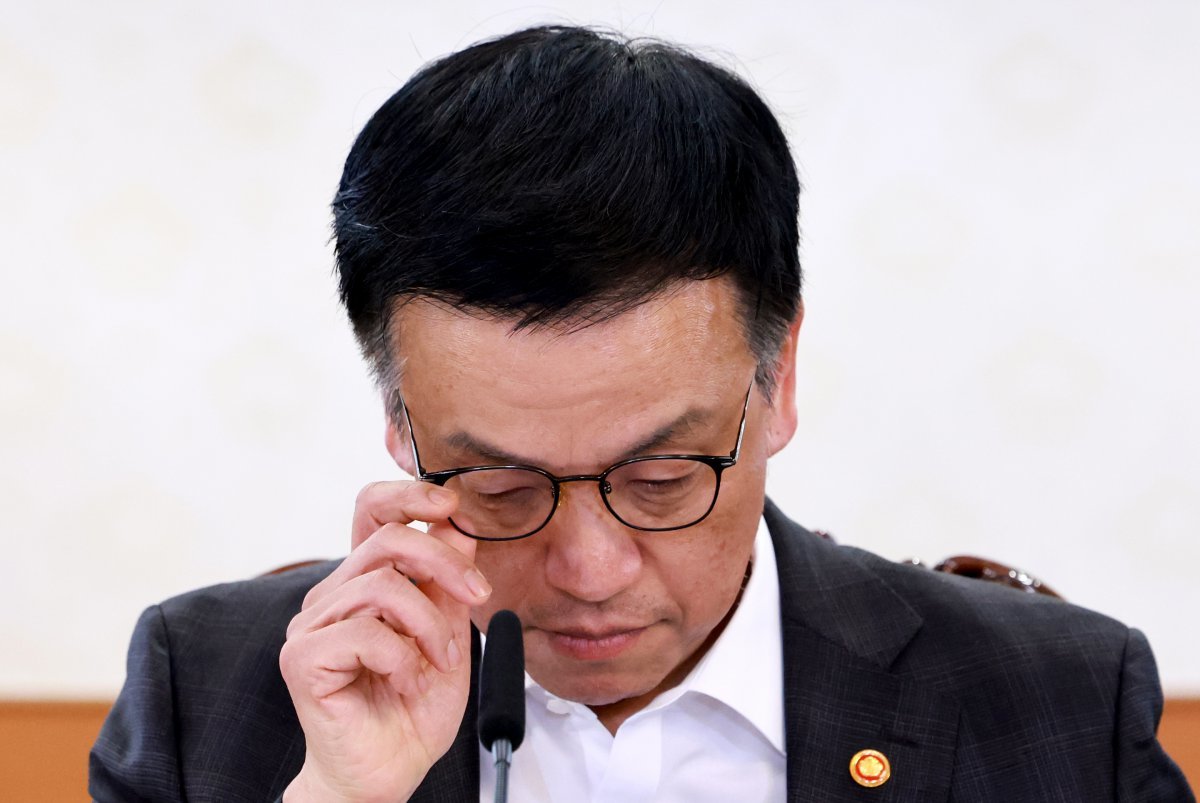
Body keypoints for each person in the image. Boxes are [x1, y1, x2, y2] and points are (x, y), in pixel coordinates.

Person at [90, 25, 1193, 802]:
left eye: (662, 478)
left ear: (781, 379)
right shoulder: (216, 692)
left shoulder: (1055, 700)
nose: (588, 567)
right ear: (399, 421)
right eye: (500, 486)